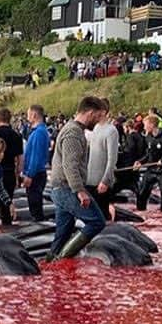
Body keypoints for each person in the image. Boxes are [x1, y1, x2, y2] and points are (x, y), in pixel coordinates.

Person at [47, 95, 110, 259]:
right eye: (97, 117)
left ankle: (51, 264)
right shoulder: (73, 133)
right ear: (89, 113)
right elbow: (70, 165)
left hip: (62, 188)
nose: (97, 122)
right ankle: (62, 259)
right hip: (66, 188)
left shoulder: (73, 130)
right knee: (97, 222)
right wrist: (80, 191)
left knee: (62, 234)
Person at [134, 114, 162, 210]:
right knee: (142, 193)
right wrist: (140, 162)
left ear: (152, 125)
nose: (144, 127)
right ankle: (141, 212)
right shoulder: (148, 137)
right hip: (151, 169)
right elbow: (148, 154)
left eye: (145, 125)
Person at [0, 108, 23, 224]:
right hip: (9, 173)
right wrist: (18, 175)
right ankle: (7, 226)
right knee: (7, 205)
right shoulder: (16, 135)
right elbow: (20, 159)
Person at [86, 98, 119, 218]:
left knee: (101, 215)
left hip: (101, 182)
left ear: (104, 111)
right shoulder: (95, 128)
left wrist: (105, 181)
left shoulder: (111, 131)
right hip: (89, 179)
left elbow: (112, 159)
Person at [22, 104, 51, 221]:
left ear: (34, 115)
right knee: (35, 204)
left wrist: (29, 175)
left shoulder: (38, 133)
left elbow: (35, 156)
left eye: (29, 114)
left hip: (36, 174)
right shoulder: (39, 132)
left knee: (35, 206)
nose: (27, 117)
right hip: (37, 172)